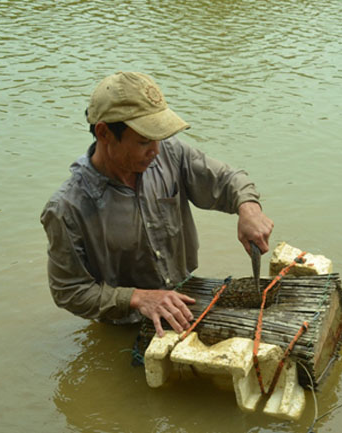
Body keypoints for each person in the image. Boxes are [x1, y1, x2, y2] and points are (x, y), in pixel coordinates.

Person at [40, 71, 274, 337]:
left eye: (158, 138)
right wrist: (137, 299)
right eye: (143, 141)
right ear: (104, 133)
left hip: (186, 300)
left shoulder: (170, 153)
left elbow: (228, 179)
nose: (156, 150)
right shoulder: (67, 208)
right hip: (126, 325)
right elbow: (69, 291)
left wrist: (248, 209)